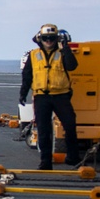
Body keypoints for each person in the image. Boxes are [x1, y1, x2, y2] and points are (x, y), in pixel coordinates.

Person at [19, 23, 81, 169]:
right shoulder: (33, 55)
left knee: (70, 126)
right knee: (43, 129)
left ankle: (73, 157)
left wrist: (66, 48)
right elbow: (27, 76)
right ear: (40, 39)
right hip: (42, 97)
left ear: (57, 39)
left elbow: (72, 66)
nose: (48, 41)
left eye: (51, 38)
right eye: (45, 38)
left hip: (61, 96)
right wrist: (23, 93)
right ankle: (45, 161)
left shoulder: (63, 53)